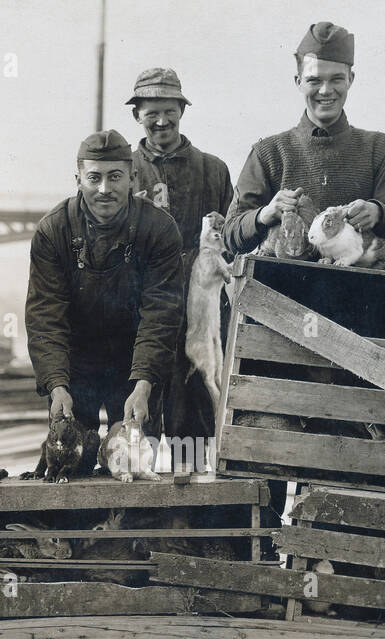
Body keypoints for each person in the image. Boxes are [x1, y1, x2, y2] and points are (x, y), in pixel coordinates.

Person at [25, 129, 184, 441]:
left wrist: (144, 386)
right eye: (94, 178)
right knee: (71, 460)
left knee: (133, 463)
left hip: (135, 362)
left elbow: (161, 315)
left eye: (115, 177)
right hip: (75, 365)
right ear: (78, 179)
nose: (104, 189)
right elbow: (45, 316)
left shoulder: (160, 229)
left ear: (132, 178)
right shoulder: (53, 230)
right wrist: (56, 384)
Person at [223, 21, 385, 256]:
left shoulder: (380, 148)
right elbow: (230, 235)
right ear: (298, 82)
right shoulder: (268, 152)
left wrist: (379, 213)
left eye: (336, 79)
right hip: (279, 289)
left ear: (350, 79)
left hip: (361, 291)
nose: (325, 90)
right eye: (314, 80)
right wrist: (265, 213)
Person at [128, 67, 234, 457]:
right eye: (151, 111)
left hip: (200, 317)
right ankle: (145, 510)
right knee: (143, 418)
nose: (161, 120)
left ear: (182, 111)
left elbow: (235, 243)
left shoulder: (213, 170)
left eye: (169, 110)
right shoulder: (123, 169)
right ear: (136, 115)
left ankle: (194, 508)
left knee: (196, 419)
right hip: (142, 315)